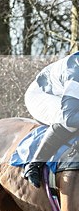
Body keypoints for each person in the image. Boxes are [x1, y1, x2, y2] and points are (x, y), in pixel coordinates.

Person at [22, 52, 79, 187]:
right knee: (68, 123)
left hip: (67, 93)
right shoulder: (76, 73)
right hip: (42, 95)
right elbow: (69, 118)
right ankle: (34, 164)